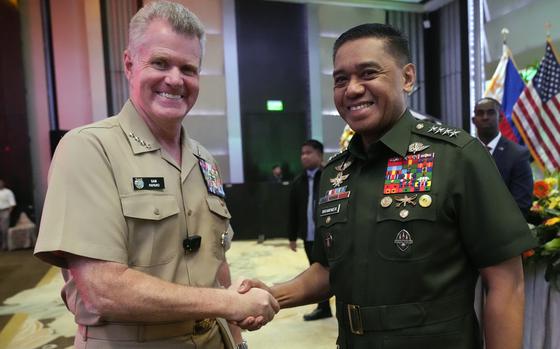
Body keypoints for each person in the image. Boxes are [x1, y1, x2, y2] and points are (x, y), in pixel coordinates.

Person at [237, 23, 535, 349]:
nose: (352, 89)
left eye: (368, 73)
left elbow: (507, 281)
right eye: (340, 79)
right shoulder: (336, 173)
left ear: (407, 78)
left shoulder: (457, 157)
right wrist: (272, 293)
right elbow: (328, 270)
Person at [34, 2, 278, 348]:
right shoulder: (89, 149)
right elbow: (102, 288)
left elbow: (216, 264)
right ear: (129, 64)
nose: (175, 80)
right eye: (160, 63)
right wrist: (229, 303)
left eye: (188, 68)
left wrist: (236, 337)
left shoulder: (203, 160)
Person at [288, 139, 332, 321]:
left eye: (309, 152)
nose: (304, 157)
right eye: (302, 153)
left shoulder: (330, 177)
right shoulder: (298, 181)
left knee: (334, 271)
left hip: (328, 236)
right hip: (309, 236)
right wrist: (292, 236)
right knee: (314, 271)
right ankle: (323, 308)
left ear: (320, 155)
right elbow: (292, 211)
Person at [472, 97, 533, 217]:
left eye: (490, 112)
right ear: (474, 120)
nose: (485, 117)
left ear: (500, 118)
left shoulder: (518, 155)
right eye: (480, 113)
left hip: (503, 230)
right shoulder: (463, 152)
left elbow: (522, 204)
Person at [0, 179, 16, 250]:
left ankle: (5, 245)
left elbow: (12, 204)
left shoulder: (8, 192)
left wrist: (8, 213)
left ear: (3, 184)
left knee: (4, 230)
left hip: (5, 211)